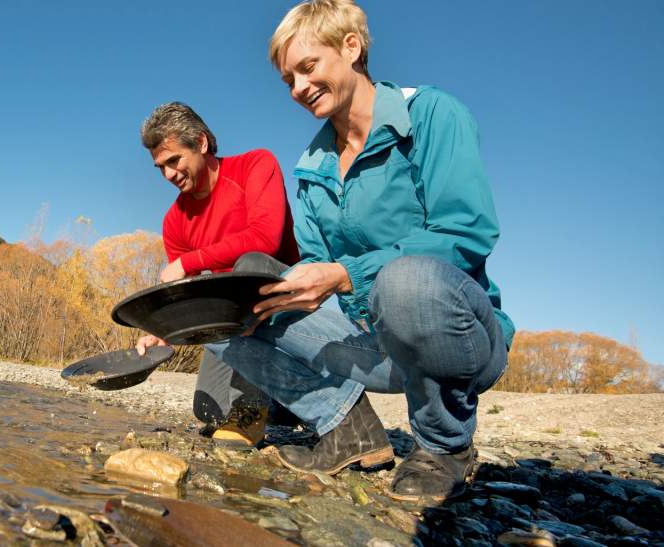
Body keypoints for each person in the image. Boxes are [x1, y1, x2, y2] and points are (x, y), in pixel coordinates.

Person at [207, 0, 514, 502]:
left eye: (308, 68)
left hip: (459, 336)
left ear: (352, 47)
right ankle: (347, 429)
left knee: (406, 281)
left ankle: (445, 447)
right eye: (288, 79)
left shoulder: (433, 114)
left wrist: (346, 275)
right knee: (219, 312)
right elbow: (314, 264)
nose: (299, 88)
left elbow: (466, 234)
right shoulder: (311, 166)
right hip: (367, 340)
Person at [135, 102, 301, 447]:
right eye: (159, 167)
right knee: (207, 409)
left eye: (174, 160)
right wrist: (163, 331)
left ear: (202, 143)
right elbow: (189, 297)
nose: (168, 174)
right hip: (231, 318)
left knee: (250, 265)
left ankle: (253, 406)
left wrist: (189, 261)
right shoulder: (174, 221)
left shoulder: (256, 164)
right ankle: (288, 401)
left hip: (286, 297)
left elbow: (265, 239)